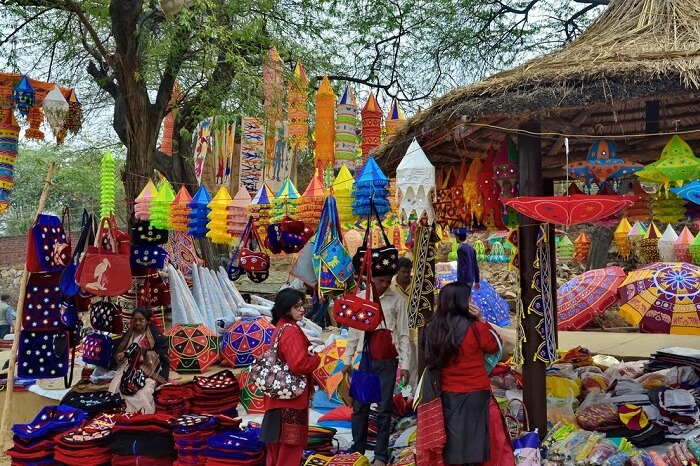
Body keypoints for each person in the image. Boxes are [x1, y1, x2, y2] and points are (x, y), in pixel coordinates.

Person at [423, 282, 507, 466]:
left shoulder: (432, 328)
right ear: (462, 302)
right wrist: (482, 319)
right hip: (477, 392)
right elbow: (494, 345)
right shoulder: (475, 328)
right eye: (469, 299)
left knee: (455, 439)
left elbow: (429, 358)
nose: (471, 302)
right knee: (476, 439)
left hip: (448, 392)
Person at [342, 271, 411, 466]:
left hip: (389, 361)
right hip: (366, 360)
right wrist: (348, 359)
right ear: (372, 279)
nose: (385, 285)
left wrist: (405, 364)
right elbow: (354, 333)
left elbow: (403, 334)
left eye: (388, 281)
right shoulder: (360, 298)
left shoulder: (397, 300)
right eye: (381, 281)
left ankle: (380, 455)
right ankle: (358, 450)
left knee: (384, 410)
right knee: (360, 407)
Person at [260, 288, 321, 466]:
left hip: (278, 399)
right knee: (289, 450)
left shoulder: (280, 328)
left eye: (302, 305)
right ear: (287, 309)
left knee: (276, 448)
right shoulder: (291, 331)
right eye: (297, 306)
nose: (302, 309)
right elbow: (298, 365)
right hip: (291, 401)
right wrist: (316, 359)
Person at [109, 307, 169, 414]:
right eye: (135, 320)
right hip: (128, 369)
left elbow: (161, 355)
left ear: (147, 321)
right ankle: (125, 412)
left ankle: (143, 414)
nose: (137, 323)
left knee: (143, 391)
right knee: (118, 386)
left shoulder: (155, 336)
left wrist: (143, 354)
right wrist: (120, 357)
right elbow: (120, 352)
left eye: (141, 320)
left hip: (147, 370)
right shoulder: (129, 334)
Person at [391, 257, 418, 388]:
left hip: (415, 329)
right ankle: (405, 389)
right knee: (404, 360)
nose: (407, 275)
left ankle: (415, 390)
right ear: (397, 271)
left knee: (416, 360)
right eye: (403, 272)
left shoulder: (416, 284)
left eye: (409, 271)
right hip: (398, 329)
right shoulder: (390, 285)